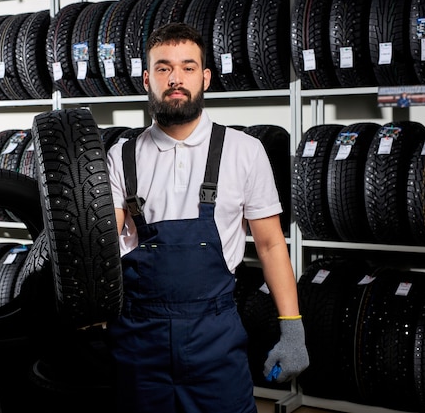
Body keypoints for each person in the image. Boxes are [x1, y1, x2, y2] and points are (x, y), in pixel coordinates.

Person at [105, 22, 309, 413]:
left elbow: (269, 245)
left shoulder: (244, 151)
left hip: (215, 340)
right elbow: (105, 245)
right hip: (138, 341)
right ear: (148, 79)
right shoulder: (121, 156)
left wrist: (293, 328)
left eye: (188, 67)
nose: (176, 78)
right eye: (163, 68)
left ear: (206, 77)